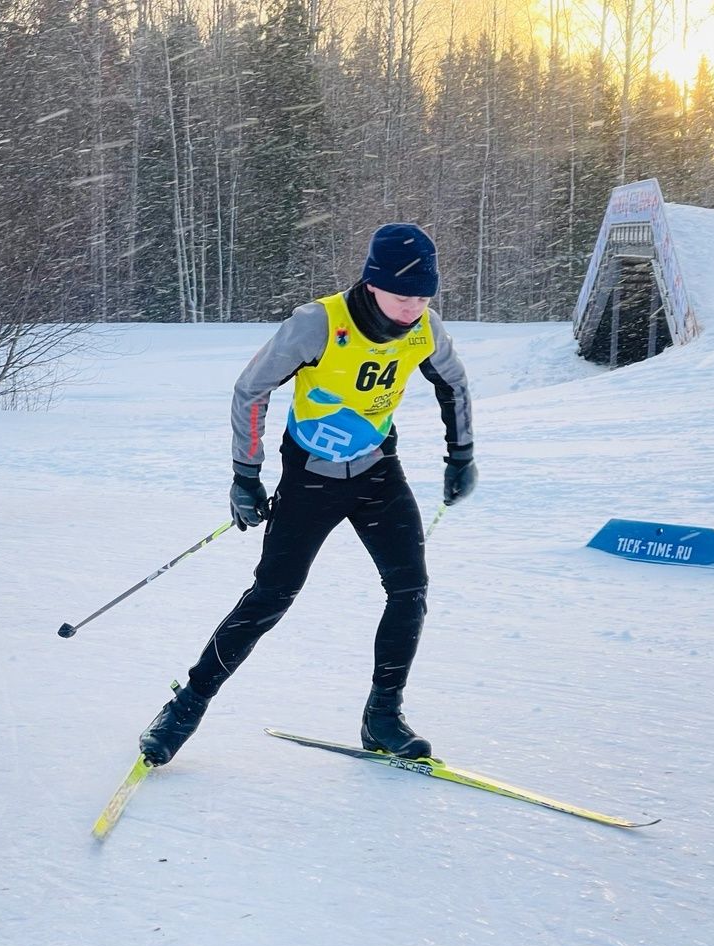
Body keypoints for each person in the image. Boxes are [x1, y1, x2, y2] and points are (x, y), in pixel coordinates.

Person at [139, 223, 476, 765]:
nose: (413, 307)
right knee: (270, 598)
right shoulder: (317, 324)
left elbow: (454, 385)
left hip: (376, 474)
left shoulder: (426, 330)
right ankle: (186, 706)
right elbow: (251, 389)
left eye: (423, 297)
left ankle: (383, 716)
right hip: (310, 479)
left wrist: (461, 456)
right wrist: (246, 475)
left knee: (409, 589)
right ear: (372, 284)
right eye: (402, 295)